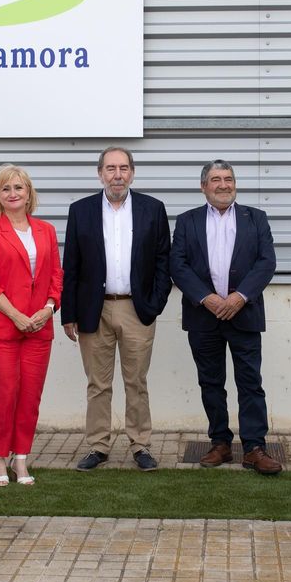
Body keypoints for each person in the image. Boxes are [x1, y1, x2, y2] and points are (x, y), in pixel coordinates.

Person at [169, 159, 282, 475]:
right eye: (216, 179)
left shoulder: (255, 219)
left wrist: (239, 297)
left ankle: (254, 448)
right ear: (204, 186)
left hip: (244, 314)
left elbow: (266, 262)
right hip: (203, 317)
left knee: (250, 383)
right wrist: (206, 298)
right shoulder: (188, 221)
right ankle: (220, 443)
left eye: (228, 178)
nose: (223, 184)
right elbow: (178, 265)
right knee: (211, 382)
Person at [62, 147, 171, 472]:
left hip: (137, 310)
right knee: (98, 383)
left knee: (136, 381)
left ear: (132, 173)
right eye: (111, 168)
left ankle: (140, 445)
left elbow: (163, 259)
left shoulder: (153, 209)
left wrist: (155, 303)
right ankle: (98, 445)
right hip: (94, 310)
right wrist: (69, 313)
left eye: (123, 168)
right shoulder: (80, 211)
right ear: (100, 174)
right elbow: (71, 265)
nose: (117, 174)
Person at [0, 165, 63, 486]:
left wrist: (49, 309)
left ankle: (21, 458)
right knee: (4, 395)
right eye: (6, 189)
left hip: (39, 328)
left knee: (29, 396)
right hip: (0, 329)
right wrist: (16, 315)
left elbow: (55, 277)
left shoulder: (46, 231)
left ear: (29, 194)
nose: (13, 194)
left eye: (18, 188)